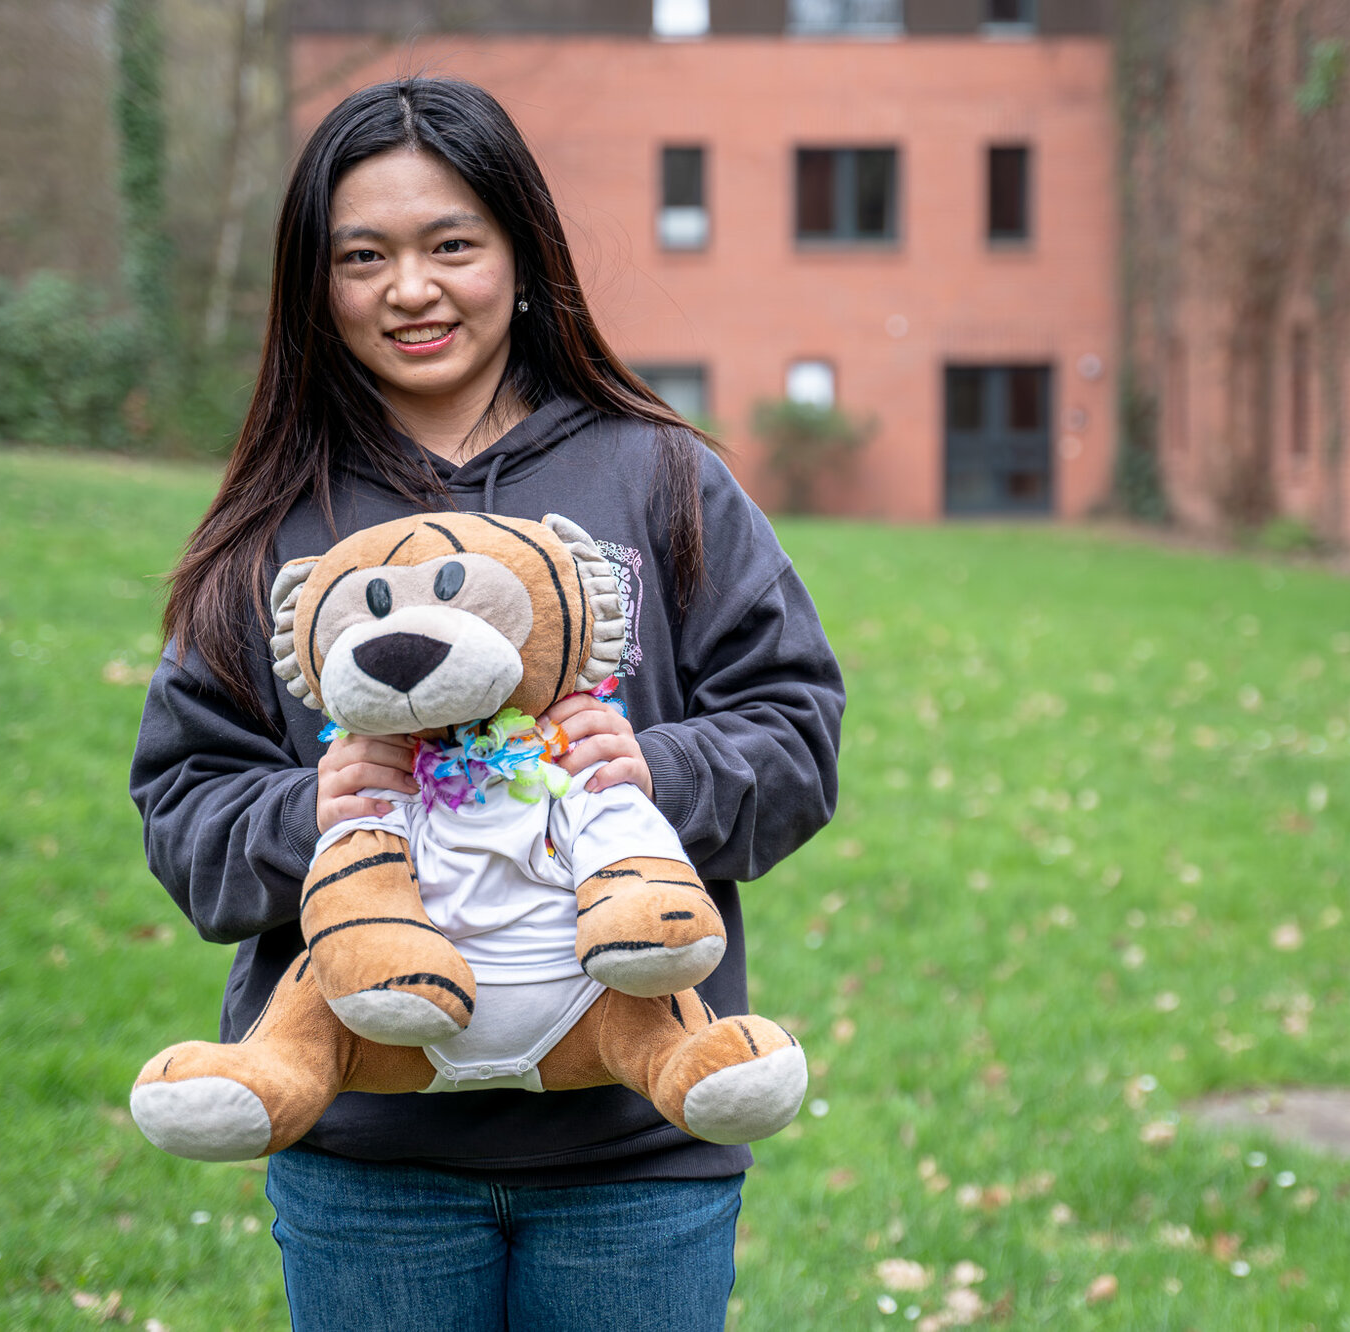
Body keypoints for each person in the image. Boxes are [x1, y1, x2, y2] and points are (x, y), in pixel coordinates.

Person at [132, 78, 844, 1331]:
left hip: (633, 1154)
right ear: (316, 284)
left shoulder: (661, 475)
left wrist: (655, 775)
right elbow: (181, 803)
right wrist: (308, 813)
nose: (411, 289)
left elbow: (796, 727)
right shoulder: (269, 527)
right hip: (368, 1162)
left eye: (449, 243)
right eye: (364, 256)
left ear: (523, 257)